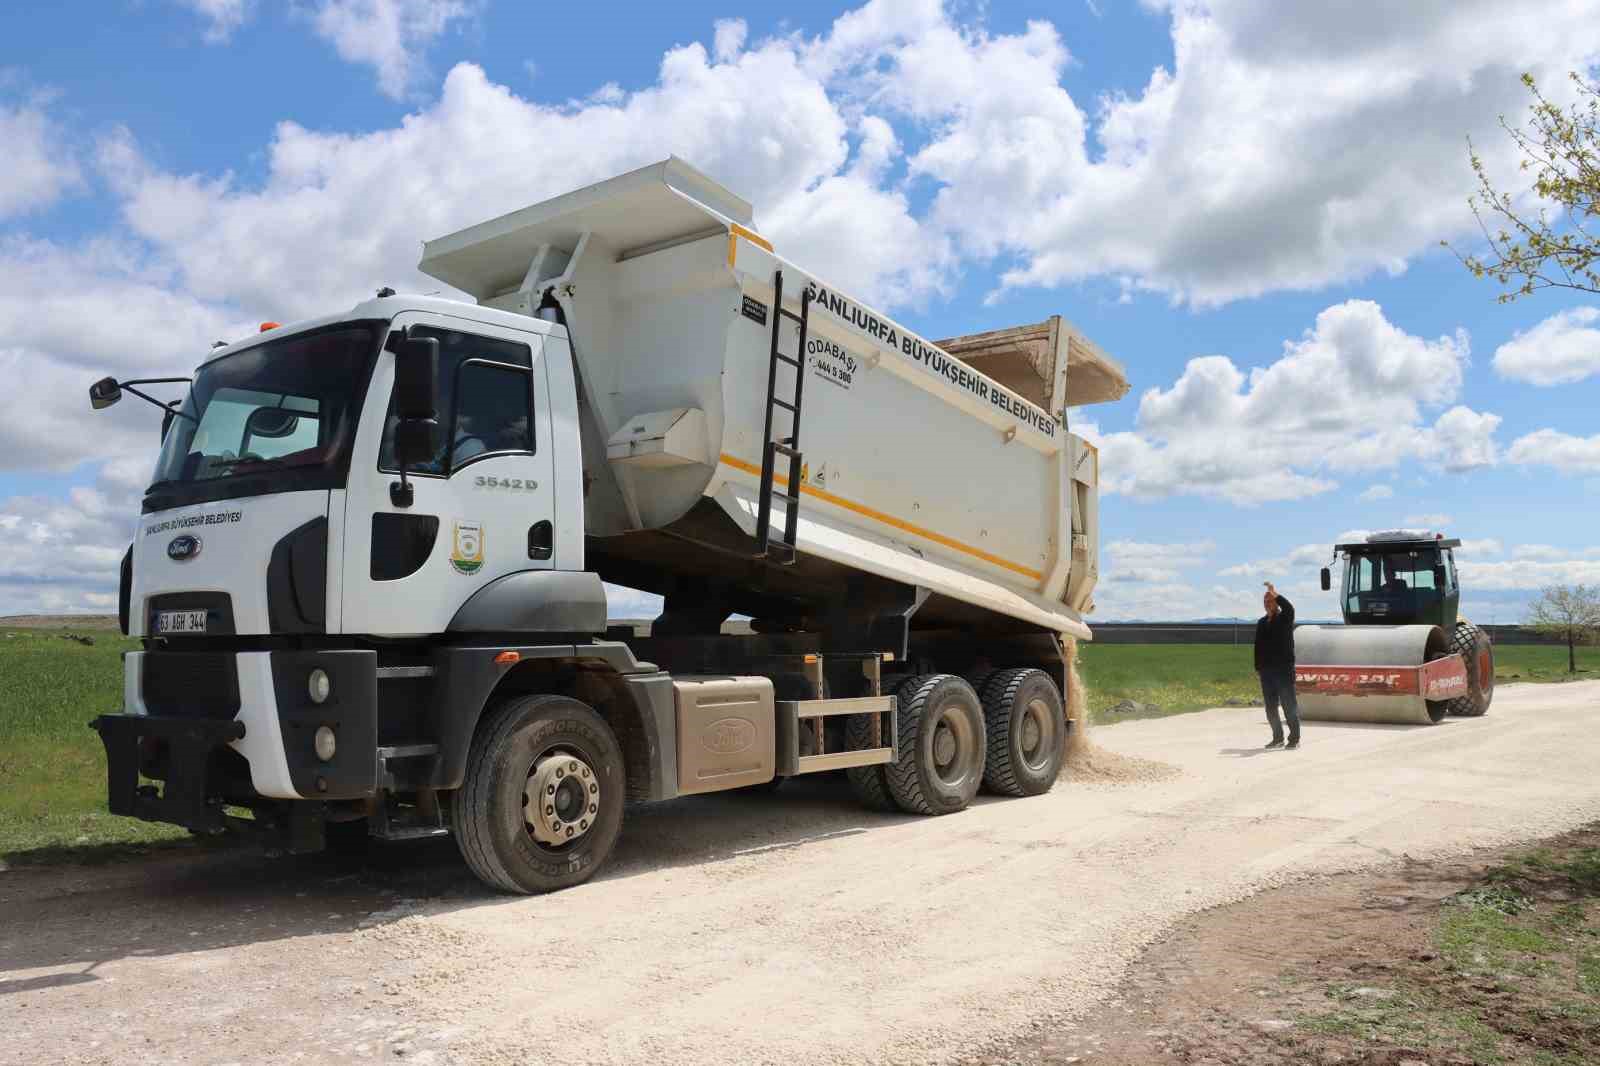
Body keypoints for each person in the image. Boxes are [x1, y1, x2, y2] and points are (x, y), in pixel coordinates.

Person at [1254, 581, 1300, 750]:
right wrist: (1258, 668)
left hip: (1284, 671)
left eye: (1270, 600)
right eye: (1265, 602)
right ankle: (1277, 738)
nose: (1267, 604)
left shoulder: (1285, 618)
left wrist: (1276, 594)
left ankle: (1294, 739)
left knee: (1289, 706)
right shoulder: (1261, 623)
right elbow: (1258, 647)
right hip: (1267, 672)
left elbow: (1290, 608)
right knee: (1270, 708)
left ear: (1276, 602)